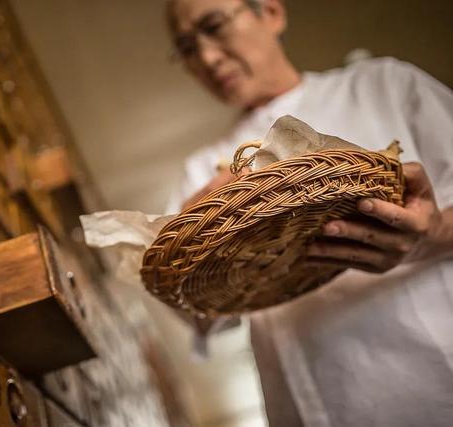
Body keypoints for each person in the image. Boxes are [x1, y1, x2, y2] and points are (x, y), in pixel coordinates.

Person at [164, 0, 453, 426]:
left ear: (272, 12)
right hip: (310, 405)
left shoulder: (382, 85)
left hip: (430, 379)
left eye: (214, 26)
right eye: (187, 48)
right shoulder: (200, 172)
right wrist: (188, 250)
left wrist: (436, 231)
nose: (207, 57)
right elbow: (192, 306)